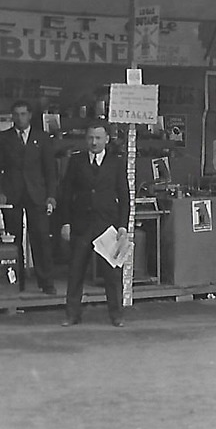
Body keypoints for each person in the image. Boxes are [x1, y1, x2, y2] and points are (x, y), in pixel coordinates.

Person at [54, 122, 129, 327]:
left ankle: (116, 315)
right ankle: (72, 314)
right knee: (76, 271)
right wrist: (66, 222)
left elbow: (124, 196)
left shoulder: (116, 163)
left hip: (107, 225)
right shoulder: (76, 161)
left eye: (97, 138)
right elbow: (66, 193)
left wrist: (123, 226)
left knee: (112, 274)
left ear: (106, 139)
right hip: (81, 224)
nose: (93, 142)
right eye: (90, 138)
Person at [0, 99, 60, 294]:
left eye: (23, 114)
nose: (19, 118)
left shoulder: (42, 138)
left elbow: (51, 171)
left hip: (37, 195)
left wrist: (51, 196)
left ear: (29, 115)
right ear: (12, 116)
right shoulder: (4, 138)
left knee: (41, 239)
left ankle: (46, 282)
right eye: (16, 114)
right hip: (12, 194)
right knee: (13, 239)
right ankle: (15, 281)